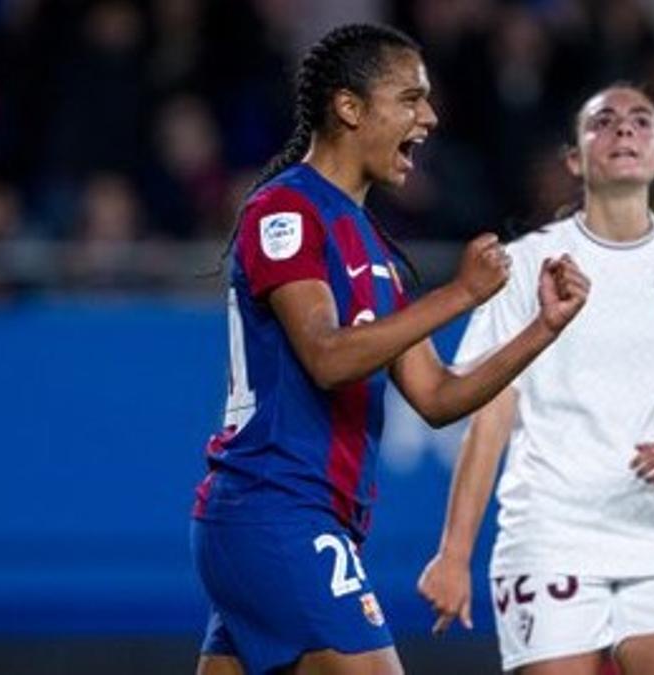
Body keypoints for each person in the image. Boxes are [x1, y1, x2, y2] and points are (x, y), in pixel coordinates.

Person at [191, 24, 590, 675]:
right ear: (349, 107)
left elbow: (436, 396)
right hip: (275, 511)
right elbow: (325, 355)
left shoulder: (378, 249)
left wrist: (543, 328)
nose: (428, 117)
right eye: (409, 98)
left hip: (286, 522)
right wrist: (461, 293)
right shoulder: (285, 210)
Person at [418, 83, 654, 675]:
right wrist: (454, 555)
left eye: (640, 121)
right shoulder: (525, 263)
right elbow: (491, 416)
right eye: (603, 121)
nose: (624, 129)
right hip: (551, 535)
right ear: (575, 160)